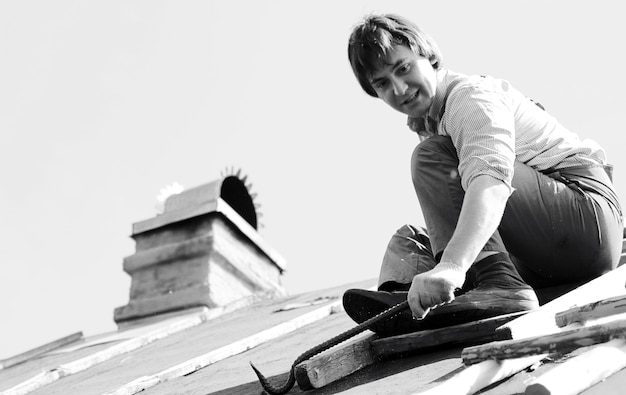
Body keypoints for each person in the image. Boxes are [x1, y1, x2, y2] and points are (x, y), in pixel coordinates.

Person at [342, 13, 623, 337]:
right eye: (382, 83)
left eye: (403, 68)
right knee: (409, 240)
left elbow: (491, 183)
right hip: (542, 253)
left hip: (585, 221)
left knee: (432, 158)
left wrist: (452, 266)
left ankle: (497, 284)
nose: (400, 89)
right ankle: (415, 302)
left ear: (427, 55)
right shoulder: (429, 122)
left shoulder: (470, 98)